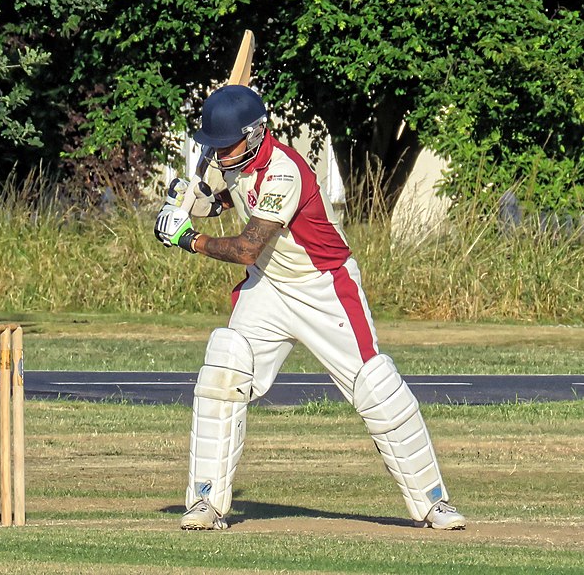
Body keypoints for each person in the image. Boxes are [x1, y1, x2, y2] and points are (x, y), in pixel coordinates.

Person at [154, 85, 466, 531]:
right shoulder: (236, 164)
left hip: (324, 285)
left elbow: (246, 247)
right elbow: (225, 199)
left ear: (257, 133)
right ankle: (205, 501)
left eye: (228, 145)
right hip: (269, 286)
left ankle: (433, 501)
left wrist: (188, 238)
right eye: (215, 148)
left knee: (376, 386)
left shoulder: (284, 171)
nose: (221, 155)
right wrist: (194, 199)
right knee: (224, 368)